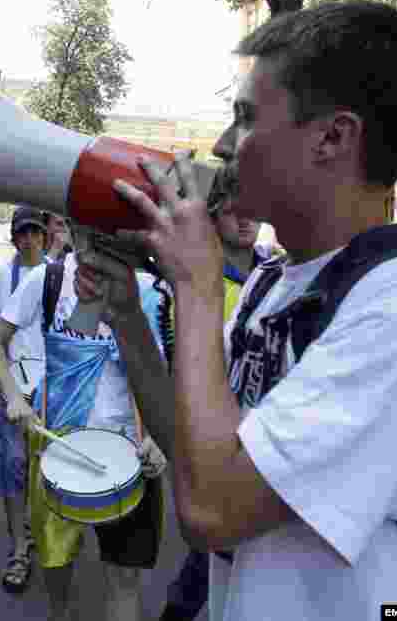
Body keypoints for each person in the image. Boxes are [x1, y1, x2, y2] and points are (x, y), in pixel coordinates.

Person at [78, 1, 397, 620]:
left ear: (332, 137)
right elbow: (199, 459)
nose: (221, 144)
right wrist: (129, 319)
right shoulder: (274, 282)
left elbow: (213, 510)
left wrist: (198, 288)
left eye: (244, 118)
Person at [0, 249, 167, 621]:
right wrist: (14, 397)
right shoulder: (48, 279)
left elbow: (172, 373)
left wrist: (162, 437)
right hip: (58, 448)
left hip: (133, 453)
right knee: (56, 562)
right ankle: (60, 613)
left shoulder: (151, 288)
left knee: (125, 577)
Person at [159, 197, 268, 621]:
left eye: (252, 210)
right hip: (214, 433)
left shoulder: (277, 274)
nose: (247, 220)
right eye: (234, 211)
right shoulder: (189, 275)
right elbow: (178, 364)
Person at [0, 206, 49, 594]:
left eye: (34, 232)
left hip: (53, 386)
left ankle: (38, 531)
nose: (28, 239)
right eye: (22, 233)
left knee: (44, 465)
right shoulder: (3, 274)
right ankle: (19, 549)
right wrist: (3, 334)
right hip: (13, 384)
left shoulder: (58, 273)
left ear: (45, 235)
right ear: (15, 237)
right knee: (13, 462)